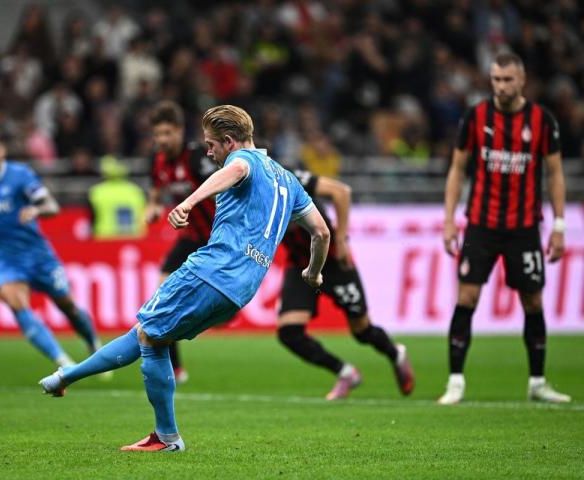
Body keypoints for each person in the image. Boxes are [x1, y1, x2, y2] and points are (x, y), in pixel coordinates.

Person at [39, 105, 330, 452]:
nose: (208, 152)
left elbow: (238, 168)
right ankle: (66, 377)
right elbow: (322, 233)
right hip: (242, 289)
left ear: (229, 141)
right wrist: (313, 272)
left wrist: (188, 203)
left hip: (212, 270)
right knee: (150, 332)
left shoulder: (243, 160)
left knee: (149, 336)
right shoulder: (289, 180)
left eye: (211, 145)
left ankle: (166, 437)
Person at [439, 52, 570, 405]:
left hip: (524, 227)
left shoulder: (542, 120)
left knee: (533, 300)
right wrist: (449, 220)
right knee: (467, 297)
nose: (501, 86)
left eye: (508, 79)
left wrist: (559, 225)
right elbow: (457, 169)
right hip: (481, 225)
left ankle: (537, 382)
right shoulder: (476, 117)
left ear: (522, 80)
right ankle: (455, 382)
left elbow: (555, 174)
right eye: (496, 79)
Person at [0, 126, 101, 367]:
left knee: (68, 306)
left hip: (38, 256)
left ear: (3, 151)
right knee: (17, 304)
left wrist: (36, 210)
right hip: (2, 261)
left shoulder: (20, 175)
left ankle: (93, 343)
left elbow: (52, 206)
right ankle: (64, 363)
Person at [279, 169, 414, 400]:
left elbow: (341, 192)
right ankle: (345, 373)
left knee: (362, 331)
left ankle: (395, 353)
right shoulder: (246, 186)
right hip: (300, 264)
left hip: (333, 260)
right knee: (289, 332)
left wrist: (341, 239)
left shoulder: (285, 176)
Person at [145, 100, 218, 384]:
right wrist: (152, 208)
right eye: (158, 134)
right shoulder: (158, 160)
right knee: (162, 295)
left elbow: (220, 190)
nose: (162, 140)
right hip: (189, 238)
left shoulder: (197, 156)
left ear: (179, 131)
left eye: (167, 133)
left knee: (209, 299)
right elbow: (155, 193)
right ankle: (175, 367)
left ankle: (221, 314)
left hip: (215, 237)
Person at [89, 155, 146, 239]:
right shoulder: (137, 191)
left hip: (105, 239)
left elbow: (91, 219)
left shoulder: (97, 192)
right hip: (132, 239)